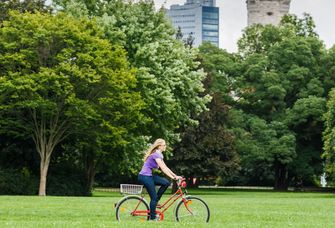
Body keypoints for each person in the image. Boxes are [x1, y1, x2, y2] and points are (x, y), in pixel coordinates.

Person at [138, 138, 182, 221]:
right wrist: (173, 178)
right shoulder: (156, 155)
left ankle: (156, 202)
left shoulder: (159, 155)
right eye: (164, 145)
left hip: (148, 176)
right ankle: (152, 217)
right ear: (159, 146)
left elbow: (166, 167)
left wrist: (175, 176)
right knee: (153, 198)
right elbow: (163, 169)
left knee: (166, 183)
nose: (166, 146)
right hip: (144, 177)